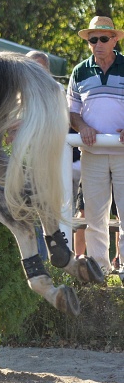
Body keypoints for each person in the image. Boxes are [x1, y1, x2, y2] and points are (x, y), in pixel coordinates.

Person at [67, 16, 124, 277]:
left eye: (103, 38)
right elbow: (72, 112)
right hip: (92, 155)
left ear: (114, 40)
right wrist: (83, 127)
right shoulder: (79, 71)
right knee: (94, 218)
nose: (98, 44)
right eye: (93, 39)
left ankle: (123, 270)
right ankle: (100, 270)